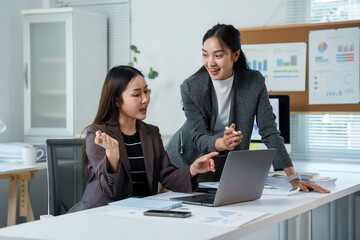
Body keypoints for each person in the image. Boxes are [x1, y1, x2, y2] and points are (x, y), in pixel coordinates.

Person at [166, 23, 329, 193]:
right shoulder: (191, 87)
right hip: (187, 162)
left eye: (218, 55)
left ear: (235, 55)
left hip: (226, 162)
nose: (210, 62)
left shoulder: (253, 82)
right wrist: (221, 142)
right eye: (205, 55)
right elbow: (199, 136)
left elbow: (269, 131)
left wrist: (293, 178)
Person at [68, 66, 218, 213]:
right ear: (117, 101)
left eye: (146, 91)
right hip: (101, 213)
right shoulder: (98, 134)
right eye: (136, 94)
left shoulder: (151, 133)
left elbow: (166, 175)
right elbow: (110, 192)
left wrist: (193, 169)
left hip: (141, 212)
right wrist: (112, 157)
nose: (145, 99)